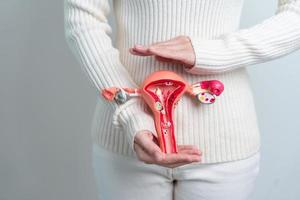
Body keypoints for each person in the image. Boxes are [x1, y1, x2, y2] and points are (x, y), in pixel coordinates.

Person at [64, 0, 300, 199]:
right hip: (126, 139)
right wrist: (131, 114)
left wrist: (208, 52)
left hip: (223, 140)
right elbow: (83, 19)